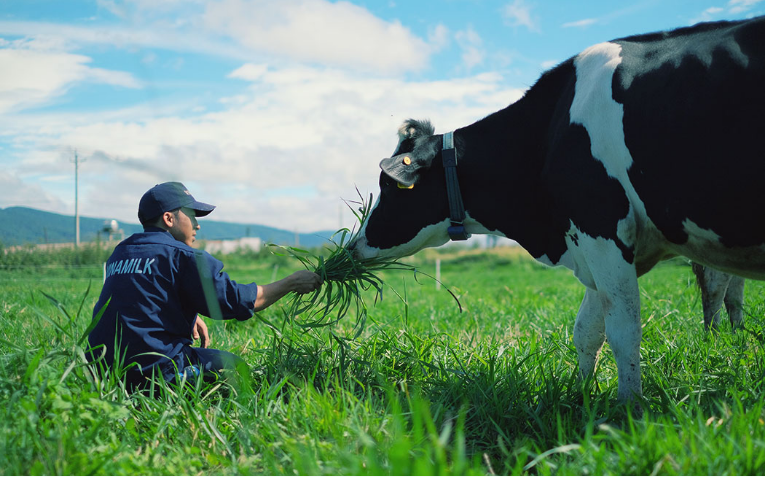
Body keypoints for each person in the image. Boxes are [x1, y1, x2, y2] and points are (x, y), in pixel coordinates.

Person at [87, 181, 322, 390]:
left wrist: (187, 314)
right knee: (235, 367)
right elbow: (238, 301)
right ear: (169, 218)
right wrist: (291, 282)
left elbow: (139, 299)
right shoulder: (184, 256)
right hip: (155, 374)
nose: (197, 225)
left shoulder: (121, 253)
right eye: (191, 215)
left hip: (103, 372)